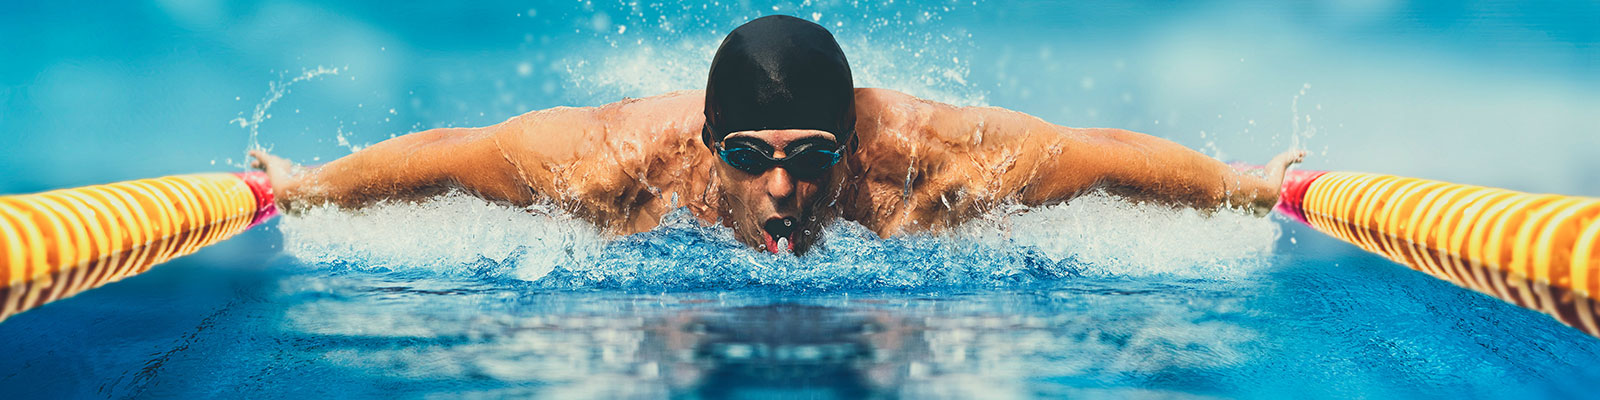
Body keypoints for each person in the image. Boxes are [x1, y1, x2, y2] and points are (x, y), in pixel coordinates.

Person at [249, 15, 1304, 255]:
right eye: (753, 158)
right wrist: (302, 186)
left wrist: (1242, 185)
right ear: (711, 146)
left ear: (852, 146)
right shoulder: (616, 165)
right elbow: (453, 152)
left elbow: (1093, 151)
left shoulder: (930, 162)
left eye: (814, 157)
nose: (788, 189)